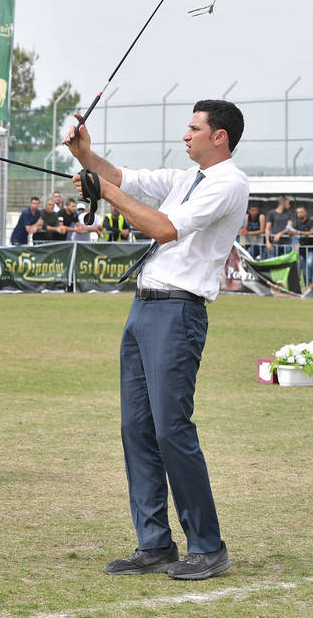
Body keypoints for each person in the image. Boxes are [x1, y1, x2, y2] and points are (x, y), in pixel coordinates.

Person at [64, 99, 246, 581]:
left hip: (179, 312)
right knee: (136, 429)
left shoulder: (229, 183)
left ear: (219, 136)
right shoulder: (184, 179)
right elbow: (121, 178)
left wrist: (102, 189)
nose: (185, 136)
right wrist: (86, 157)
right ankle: (155, 544)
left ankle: (207, 545)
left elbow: (164, 228)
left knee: (171, 431)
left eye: (193, 129)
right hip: (144, 307)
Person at [294, 205, 313, 289]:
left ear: (305, 212)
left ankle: (309, 283)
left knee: (309, 263)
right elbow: (292, 232)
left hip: (311, 248)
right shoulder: (297, 223)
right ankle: (307, 286)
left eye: (301, 212)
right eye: (298, 212)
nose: (300, 214)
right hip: (301, 249)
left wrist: (298, 232)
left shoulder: (311, 221)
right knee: (304, 269)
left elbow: (311, 232)